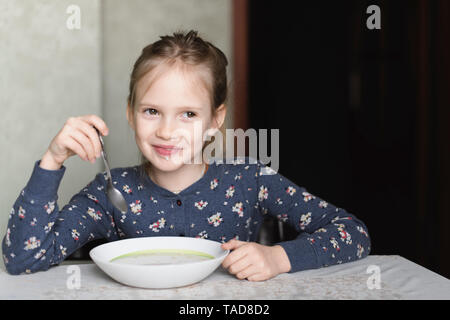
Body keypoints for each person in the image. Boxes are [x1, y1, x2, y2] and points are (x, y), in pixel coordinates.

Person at [2, 30, 371, 281]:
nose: (166, 131)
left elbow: (353, 233)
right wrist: (52, 160)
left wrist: (278, 258)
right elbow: (23, 260)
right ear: (130, 113)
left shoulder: (251, 180)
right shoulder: (111, 192)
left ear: (216, 119)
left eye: (188, 114)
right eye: (151, 111)